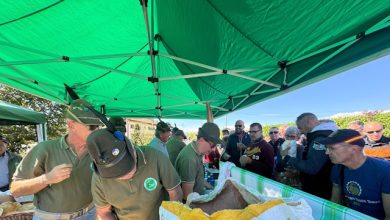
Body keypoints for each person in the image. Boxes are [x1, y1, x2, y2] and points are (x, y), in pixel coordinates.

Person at [10, 99, 102, 220]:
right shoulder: (45, 149)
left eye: (98, 126)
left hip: (89, 214)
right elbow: (15, 189)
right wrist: (47, 178)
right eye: (92, 126)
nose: (96, 130)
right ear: (71, 125)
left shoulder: (97, 150)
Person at [88, 128, 182, 220]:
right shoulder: (99, 178)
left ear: (132, 149)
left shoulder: (156, 157)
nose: (125, 176)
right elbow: (104, 213)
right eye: (117, 175)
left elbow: (175, 192)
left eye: (127, 168)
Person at [318, 129, 390, 220]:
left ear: (354, 148)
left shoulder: (385, 170)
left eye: (332, 148)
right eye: (327, 148)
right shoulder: (338, 169)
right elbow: (335, 201)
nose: (326, 152)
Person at [282, 113, 337, 199]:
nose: (300, 131)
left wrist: (288, 158)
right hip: (321, 186)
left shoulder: (319, 138)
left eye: (300, 127)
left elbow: (312, 167)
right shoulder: (323, 135)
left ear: (309, 121)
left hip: (319, 190)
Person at [175, 122, 222, 200]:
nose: (214, 149)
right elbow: (187, 196)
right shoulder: (189, 159)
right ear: (201, 140)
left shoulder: (197, 152)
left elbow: (197, 178)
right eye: (212, 145)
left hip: (198, 196)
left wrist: (213, 188)